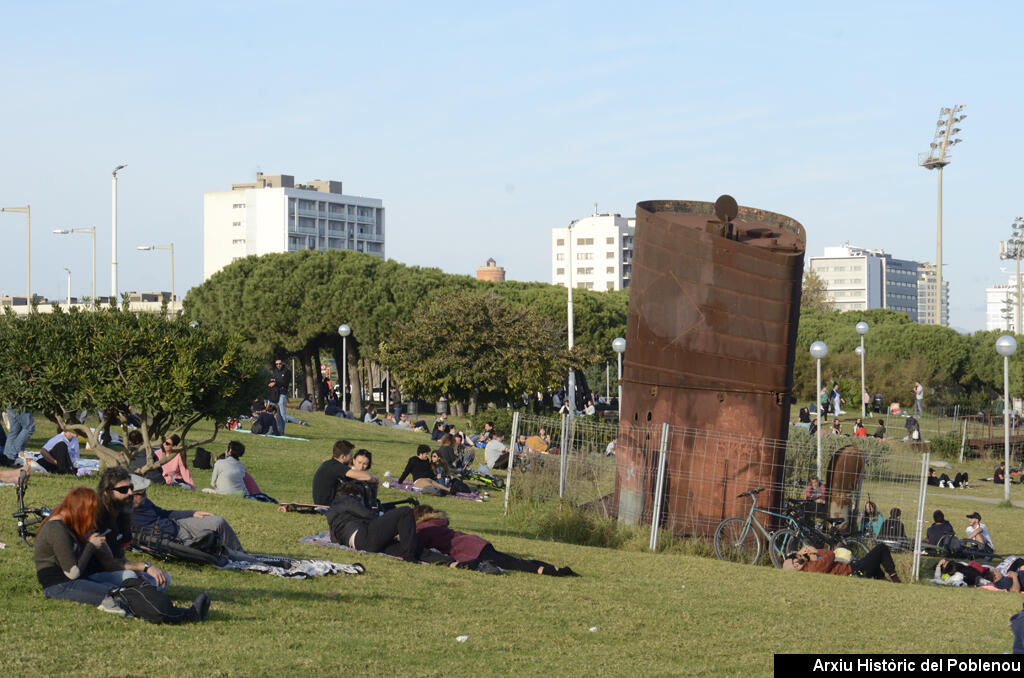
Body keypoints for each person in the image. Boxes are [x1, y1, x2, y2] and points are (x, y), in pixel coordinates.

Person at [34, 486, 204, 617]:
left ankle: (171, 608)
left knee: (129, 587)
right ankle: (182, 614)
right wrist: (91, 545)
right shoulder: (56, 529)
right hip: (60, 585)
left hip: (79, 579)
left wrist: (141, 568)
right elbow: (72, 572)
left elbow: (109, 561)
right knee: (120, 595)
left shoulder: (74, 525)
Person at [414, 505, 578, 576]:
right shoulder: (438, 522)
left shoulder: (424, 528)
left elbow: (414, 544)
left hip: (470, 549)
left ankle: (553, 571)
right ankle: (552, 568)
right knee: (513, 560)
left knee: (513, 564)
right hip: (475, 542)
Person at [131, 474, 250, 558]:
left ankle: (241, 554)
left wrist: (192, 513)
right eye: (142, 494)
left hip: (178, 524)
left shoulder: (144, 502)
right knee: (209, 546)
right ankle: (238, 558)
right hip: (173, 539)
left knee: (218, 522)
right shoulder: (122, 513)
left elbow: (164, 513)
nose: (145, 496)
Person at [326, 481, 419, 561]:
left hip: (360, 544)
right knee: (405, 512)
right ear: (352, 495)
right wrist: (377, 512)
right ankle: (409, 557)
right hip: (363, 536)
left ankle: (432, 556)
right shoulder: (348, 500)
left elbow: (334, 540)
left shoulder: (335, 514)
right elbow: (369, 515)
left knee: (406, 546)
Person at [783, 544, 900, 582]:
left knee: (873, 564)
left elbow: (823, 562)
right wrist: (816, 551)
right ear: (796, 566)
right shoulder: (813, 569)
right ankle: (895, 579)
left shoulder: (810, 567)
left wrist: (810, 555)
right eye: (798, 557)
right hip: (853, 571)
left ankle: (884, 582)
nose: (802, 555)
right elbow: (830, 555)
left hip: (851, 567)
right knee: (882, 548)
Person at [312, 440, 377, 505]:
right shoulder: (335, 466)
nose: (351, 458)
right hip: (327, 504)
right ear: (343, 456)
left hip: (326, 502)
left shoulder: (330, 464)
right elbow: (367, 477)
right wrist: (374, 478)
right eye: (350, 455)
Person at [269, 358, 291, 435]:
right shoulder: (274, 371)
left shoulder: (287, 372)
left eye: (280, 363)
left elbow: (284, 382)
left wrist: (275, 382)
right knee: (273, 412)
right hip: (275, 394)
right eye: (277, 364)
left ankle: (282, 431)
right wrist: (274, 381)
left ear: (282, 363)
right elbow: (274, 380)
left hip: (282, 393)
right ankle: (273, 430)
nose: (278, 365)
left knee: (282, 414)